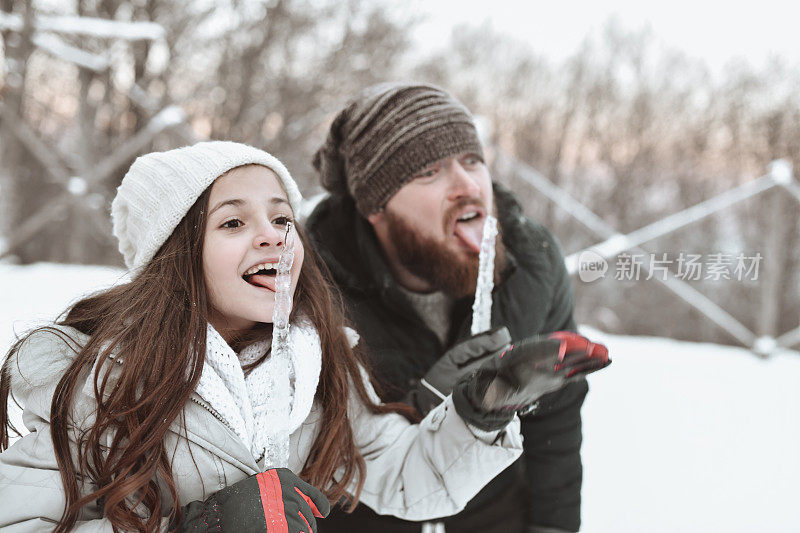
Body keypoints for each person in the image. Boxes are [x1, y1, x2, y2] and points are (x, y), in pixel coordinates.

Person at [0, 141, 608, 532]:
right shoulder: (96, 381)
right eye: (234, 221)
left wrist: (483, 408)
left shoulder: (313, 371)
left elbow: (402, 474)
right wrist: (201, 526)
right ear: (174, 258)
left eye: (282, 218)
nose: (272, 236)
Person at [307, 83, 605, 533]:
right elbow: (306, 453)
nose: (467, 186)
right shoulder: (311, 284)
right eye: (429, 171)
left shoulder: (533, 262)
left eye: (472, 161)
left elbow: (557, 418)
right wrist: (422, 405)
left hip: (494, 510)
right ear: (376, 206)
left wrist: (554, 527)